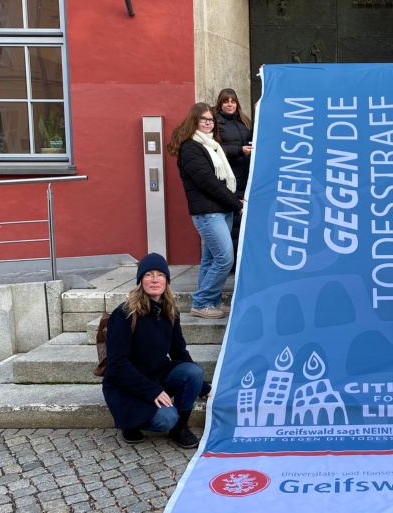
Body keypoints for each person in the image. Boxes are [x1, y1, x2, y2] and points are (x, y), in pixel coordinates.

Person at [102, 253, 212, 449]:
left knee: (193, 370)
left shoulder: (170, 312)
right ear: (140, 281)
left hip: (155, 376)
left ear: (167, 280)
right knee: (166, 419)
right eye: (148, 275)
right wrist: (152, 390)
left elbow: (179, 353)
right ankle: (131, 423)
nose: (155, 279)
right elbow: (118, 364)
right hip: (126, 386)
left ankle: (180, 427)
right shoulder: (125, 314)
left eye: (160, 275)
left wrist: (203, 387)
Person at [168, 102, 243, 319]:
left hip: (220, 210)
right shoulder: (191, 147)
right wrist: (236, 203)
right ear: (194, 121)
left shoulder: (212, 145)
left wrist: (235, 198)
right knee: (225, 258)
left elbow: (220, 180)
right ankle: (201, 302)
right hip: (208, 213)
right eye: (204, 119)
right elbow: (207, 182)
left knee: (210, 260)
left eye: (211, 119)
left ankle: (212, 301)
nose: (209, 123)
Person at [214, 89, 253, 273]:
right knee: (233, 222)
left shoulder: (244, 120)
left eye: (233, 101)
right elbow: (216, 148)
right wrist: (239, 150)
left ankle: (243, 261)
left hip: (248, 178)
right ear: (220, 104)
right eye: (226, 101)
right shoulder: (215, 123)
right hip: (230, 179)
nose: (230, 105)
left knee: (245, 221)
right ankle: (232, 263)